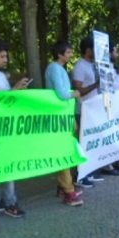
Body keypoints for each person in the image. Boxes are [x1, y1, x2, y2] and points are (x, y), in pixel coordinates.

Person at [0, 40, 29, 217]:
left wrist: (16, 91)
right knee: (7, 164)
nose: (5, 60)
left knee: (0, 165)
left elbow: (7, 98)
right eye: (2, 56)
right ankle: (10, 203)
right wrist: (14, 89)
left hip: (4, 127)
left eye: (6, 57)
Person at [45, 41, 84, 205]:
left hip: (64, 116)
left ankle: (64, 186)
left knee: (67, 150)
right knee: (64, 152)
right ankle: (68, 191)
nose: (70, 55)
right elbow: (61, 94)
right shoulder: (54, 68)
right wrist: (74, 94)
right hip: (58, 117)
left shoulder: (59, 69)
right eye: (68, 52)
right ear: (60, 54)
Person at [72, 36, 105, 186]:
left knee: (91, 141)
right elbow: (79, 89)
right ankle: (80, 176)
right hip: (83, 109)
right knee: (83, 142)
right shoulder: (80, 66)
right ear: (88, 50)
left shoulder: (93, 65)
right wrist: (96, 84)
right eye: (94, 49)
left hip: (93, 109)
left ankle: (88, 171)